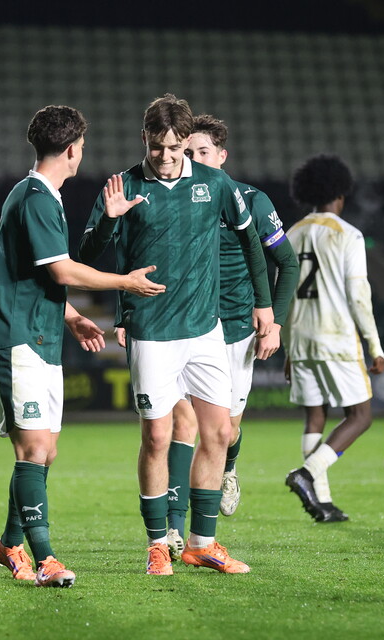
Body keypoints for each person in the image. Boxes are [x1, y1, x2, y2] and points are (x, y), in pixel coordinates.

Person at [79, 94, 274, 575]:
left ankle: (201, 543)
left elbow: (251, 241)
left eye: (176, 147)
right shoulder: (122, 185)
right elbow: (87, 254)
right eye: (158, 146)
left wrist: (265, 303)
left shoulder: (214, 182)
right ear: (143, 138)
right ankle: (155, 543)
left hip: (205, 331)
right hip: (152, 332)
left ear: (187, 142)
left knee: (221, 432)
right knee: (158, 437)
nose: (166, 156)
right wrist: (110, 219)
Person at [0, 104, 166, 588]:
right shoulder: (37, 197)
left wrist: (75, 316)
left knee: (45, 452)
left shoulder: (40, 195)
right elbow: (62, 271)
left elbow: (35, 275)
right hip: (14, 337)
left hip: (39, 334)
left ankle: (9, 544)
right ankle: (46, 559)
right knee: (34, 448)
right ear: (71, 149)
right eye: (82, 145)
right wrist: (123, 281)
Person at [154, 114, 298, 558]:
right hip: (182, 326)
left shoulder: (250, 201)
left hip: (235, 330)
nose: (192, 159)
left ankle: (229, 467)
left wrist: (273, 320)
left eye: (201, 152)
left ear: (221, 156)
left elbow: (286, 263)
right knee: (182, 423)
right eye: (187, 152)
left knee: (226, 430)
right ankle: (175, 530)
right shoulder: (177, 197)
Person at [283, 154, 384, 523]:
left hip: (300, 338)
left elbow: (285, 292)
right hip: (336, 337)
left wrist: (288, 348)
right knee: (360, 416)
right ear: (341, 193)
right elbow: (359, 295)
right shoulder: (347, 234)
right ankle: (308, 475)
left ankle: (321, 503)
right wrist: (374, 345)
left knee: (316, 416)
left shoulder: (291, 234)